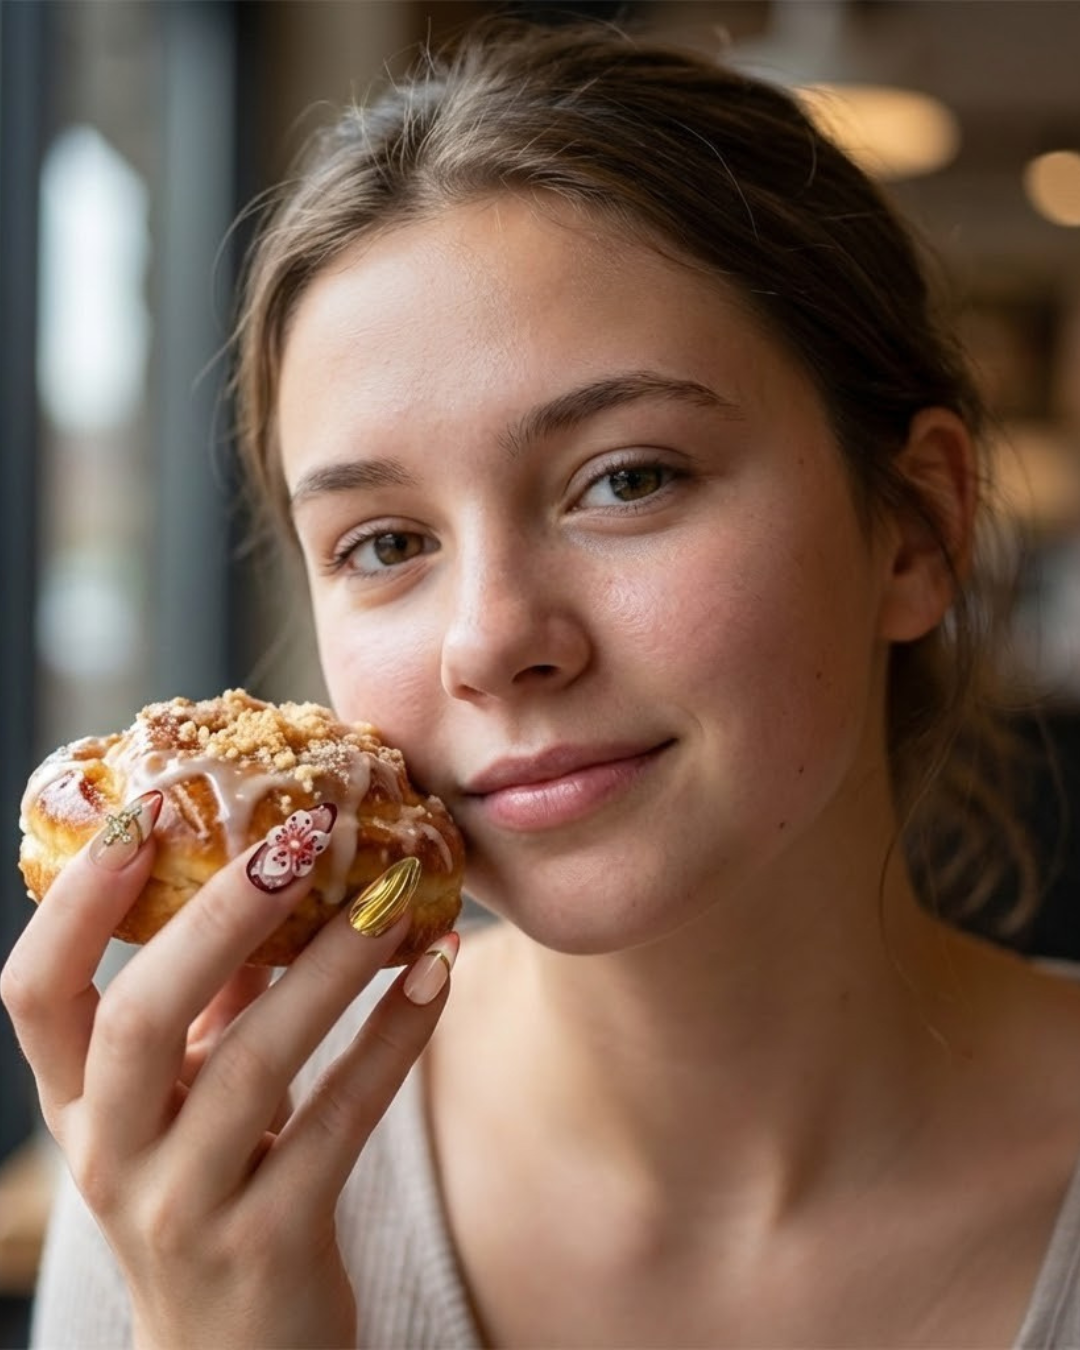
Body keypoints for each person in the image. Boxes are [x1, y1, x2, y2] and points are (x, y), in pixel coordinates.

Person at [5, 17, 1080, 1348]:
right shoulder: (207, 1195)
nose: (490, 638)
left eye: (628, 477)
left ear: (915, 529)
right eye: (386, 543)